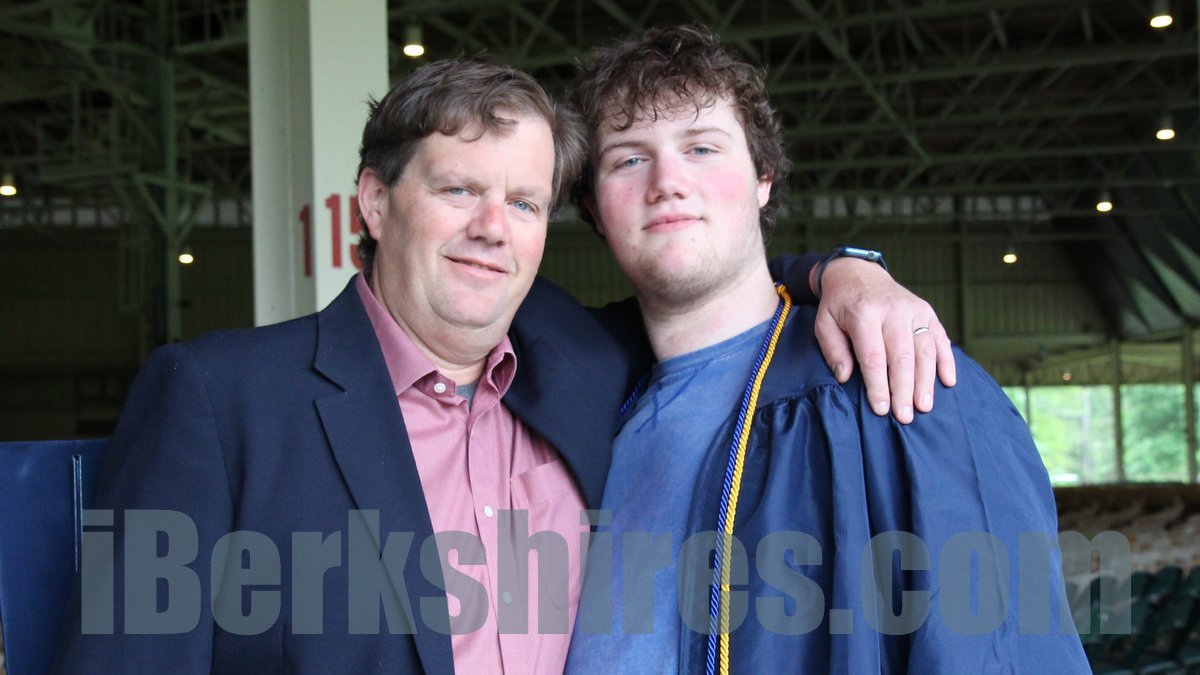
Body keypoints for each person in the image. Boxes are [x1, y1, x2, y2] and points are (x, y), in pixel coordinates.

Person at [53, 58, 952, 674]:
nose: (493, 227)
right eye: (458, 190)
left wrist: (844, 273)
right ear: (375, 201)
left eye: (524, 202)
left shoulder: (588, 363)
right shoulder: (219, 397)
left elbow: (711, 285)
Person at [563, 25, 1089, 674]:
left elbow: (1002, 653)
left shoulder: (899, 381)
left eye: (701, 147)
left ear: (763, 177)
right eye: (628, 160)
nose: (667, 181)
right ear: (594, 207)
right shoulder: (580, 405)